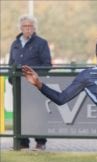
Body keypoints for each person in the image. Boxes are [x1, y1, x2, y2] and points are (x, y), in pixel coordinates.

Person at [8, 15, 52, 150]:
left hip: (34, 86)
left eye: (30, 26)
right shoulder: (15, 44)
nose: (27, 29)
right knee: (20, 114)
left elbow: (47, 65)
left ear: (34, 28)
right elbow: (11, 64)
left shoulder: (41, 43)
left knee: (37, 114)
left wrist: (36, 79)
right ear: (20, 28)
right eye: (25, 26)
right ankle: (22, 143)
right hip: (19, 86)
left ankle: (40, 142)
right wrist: (12, 79)